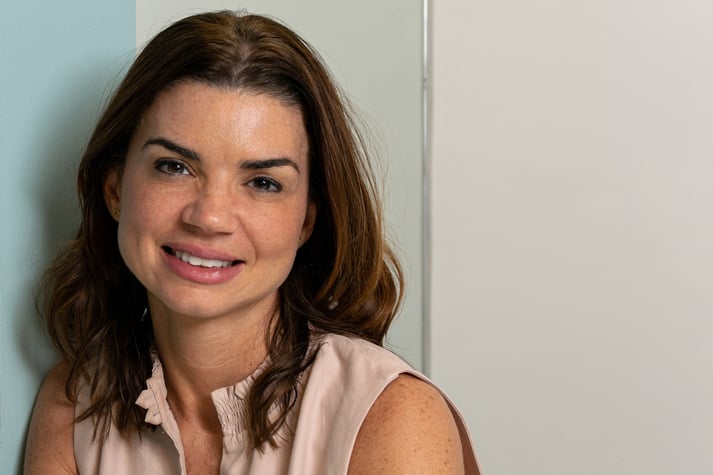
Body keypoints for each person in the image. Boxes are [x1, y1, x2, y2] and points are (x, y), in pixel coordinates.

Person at [24, 10, 480, 475]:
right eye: (174, 167)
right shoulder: (74, 405)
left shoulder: (393, 418)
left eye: (263, 182)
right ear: (115, 189)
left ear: (307, 221)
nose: (210, 217)